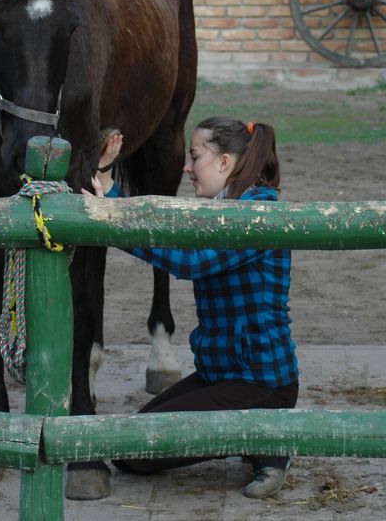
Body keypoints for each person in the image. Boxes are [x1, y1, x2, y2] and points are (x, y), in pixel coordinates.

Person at [86, 117, 298, 499]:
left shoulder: (256, 216)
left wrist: (111, 223)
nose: (186, 167)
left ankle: (267, 440)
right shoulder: (221, 208)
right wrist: (109, 186)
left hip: (260, 384)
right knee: (129, 449)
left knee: (132, 451)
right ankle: (249, 434)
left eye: (195, 156)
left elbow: (189, 262)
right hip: (221, 375)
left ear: (224, 162)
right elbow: (165, 229)